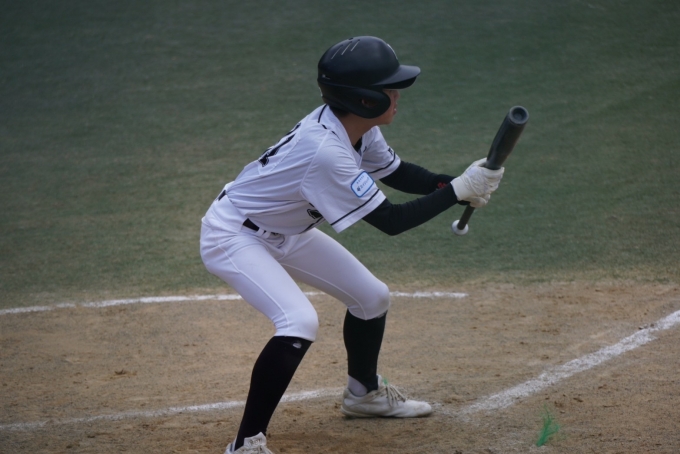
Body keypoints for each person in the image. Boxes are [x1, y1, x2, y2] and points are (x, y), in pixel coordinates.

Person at [200, 36, 504, 454]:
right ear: (363, 99)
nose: (397, 96)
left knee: (371, 297)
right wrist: (456, 191)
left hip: (287, 232)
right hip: (234, 234)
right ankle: (245, 445)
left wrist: (458, 184)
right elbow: (391, 222)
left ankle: (364, 395)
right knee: (298, 322)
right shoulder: (326, 152)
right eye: (389, 89)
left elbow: (397, 173)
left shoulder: (355, 128)